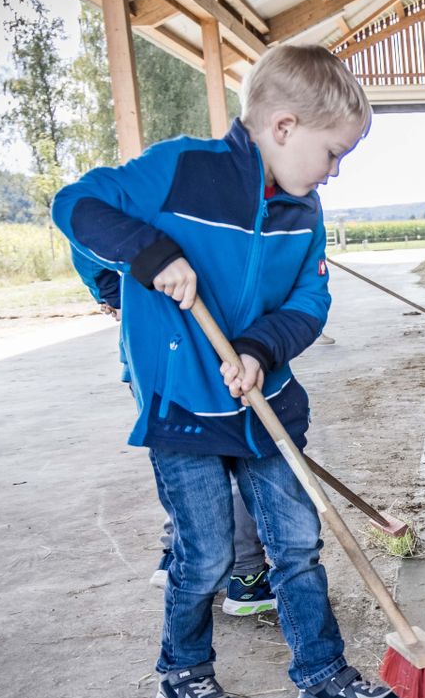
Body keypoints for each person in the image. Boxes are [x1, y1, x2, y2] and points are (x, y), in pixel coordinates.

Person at [53, 44, 404, 698]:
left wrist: (256, 349)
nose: (334, 173)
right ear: (283, 127)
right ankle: (182, 672)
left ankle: (322, 676)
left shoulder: (302, 213)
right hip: (183, 401)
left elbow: (308, 304)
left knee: (297, 542)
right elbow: (77, 205)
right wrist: (150, 256)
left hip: (265, 398)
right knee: (207, 551)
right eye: (333, 153)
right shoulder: (182, 171)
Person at [68, 245, 278, 617]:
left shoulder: (141, 198)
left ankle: (177, 554)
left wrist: (114, 294)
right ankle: (245, 576)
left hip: (151, 353)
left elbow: (86, 247)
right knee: (232, 457)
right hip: (216, 351)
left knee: (177, 454)